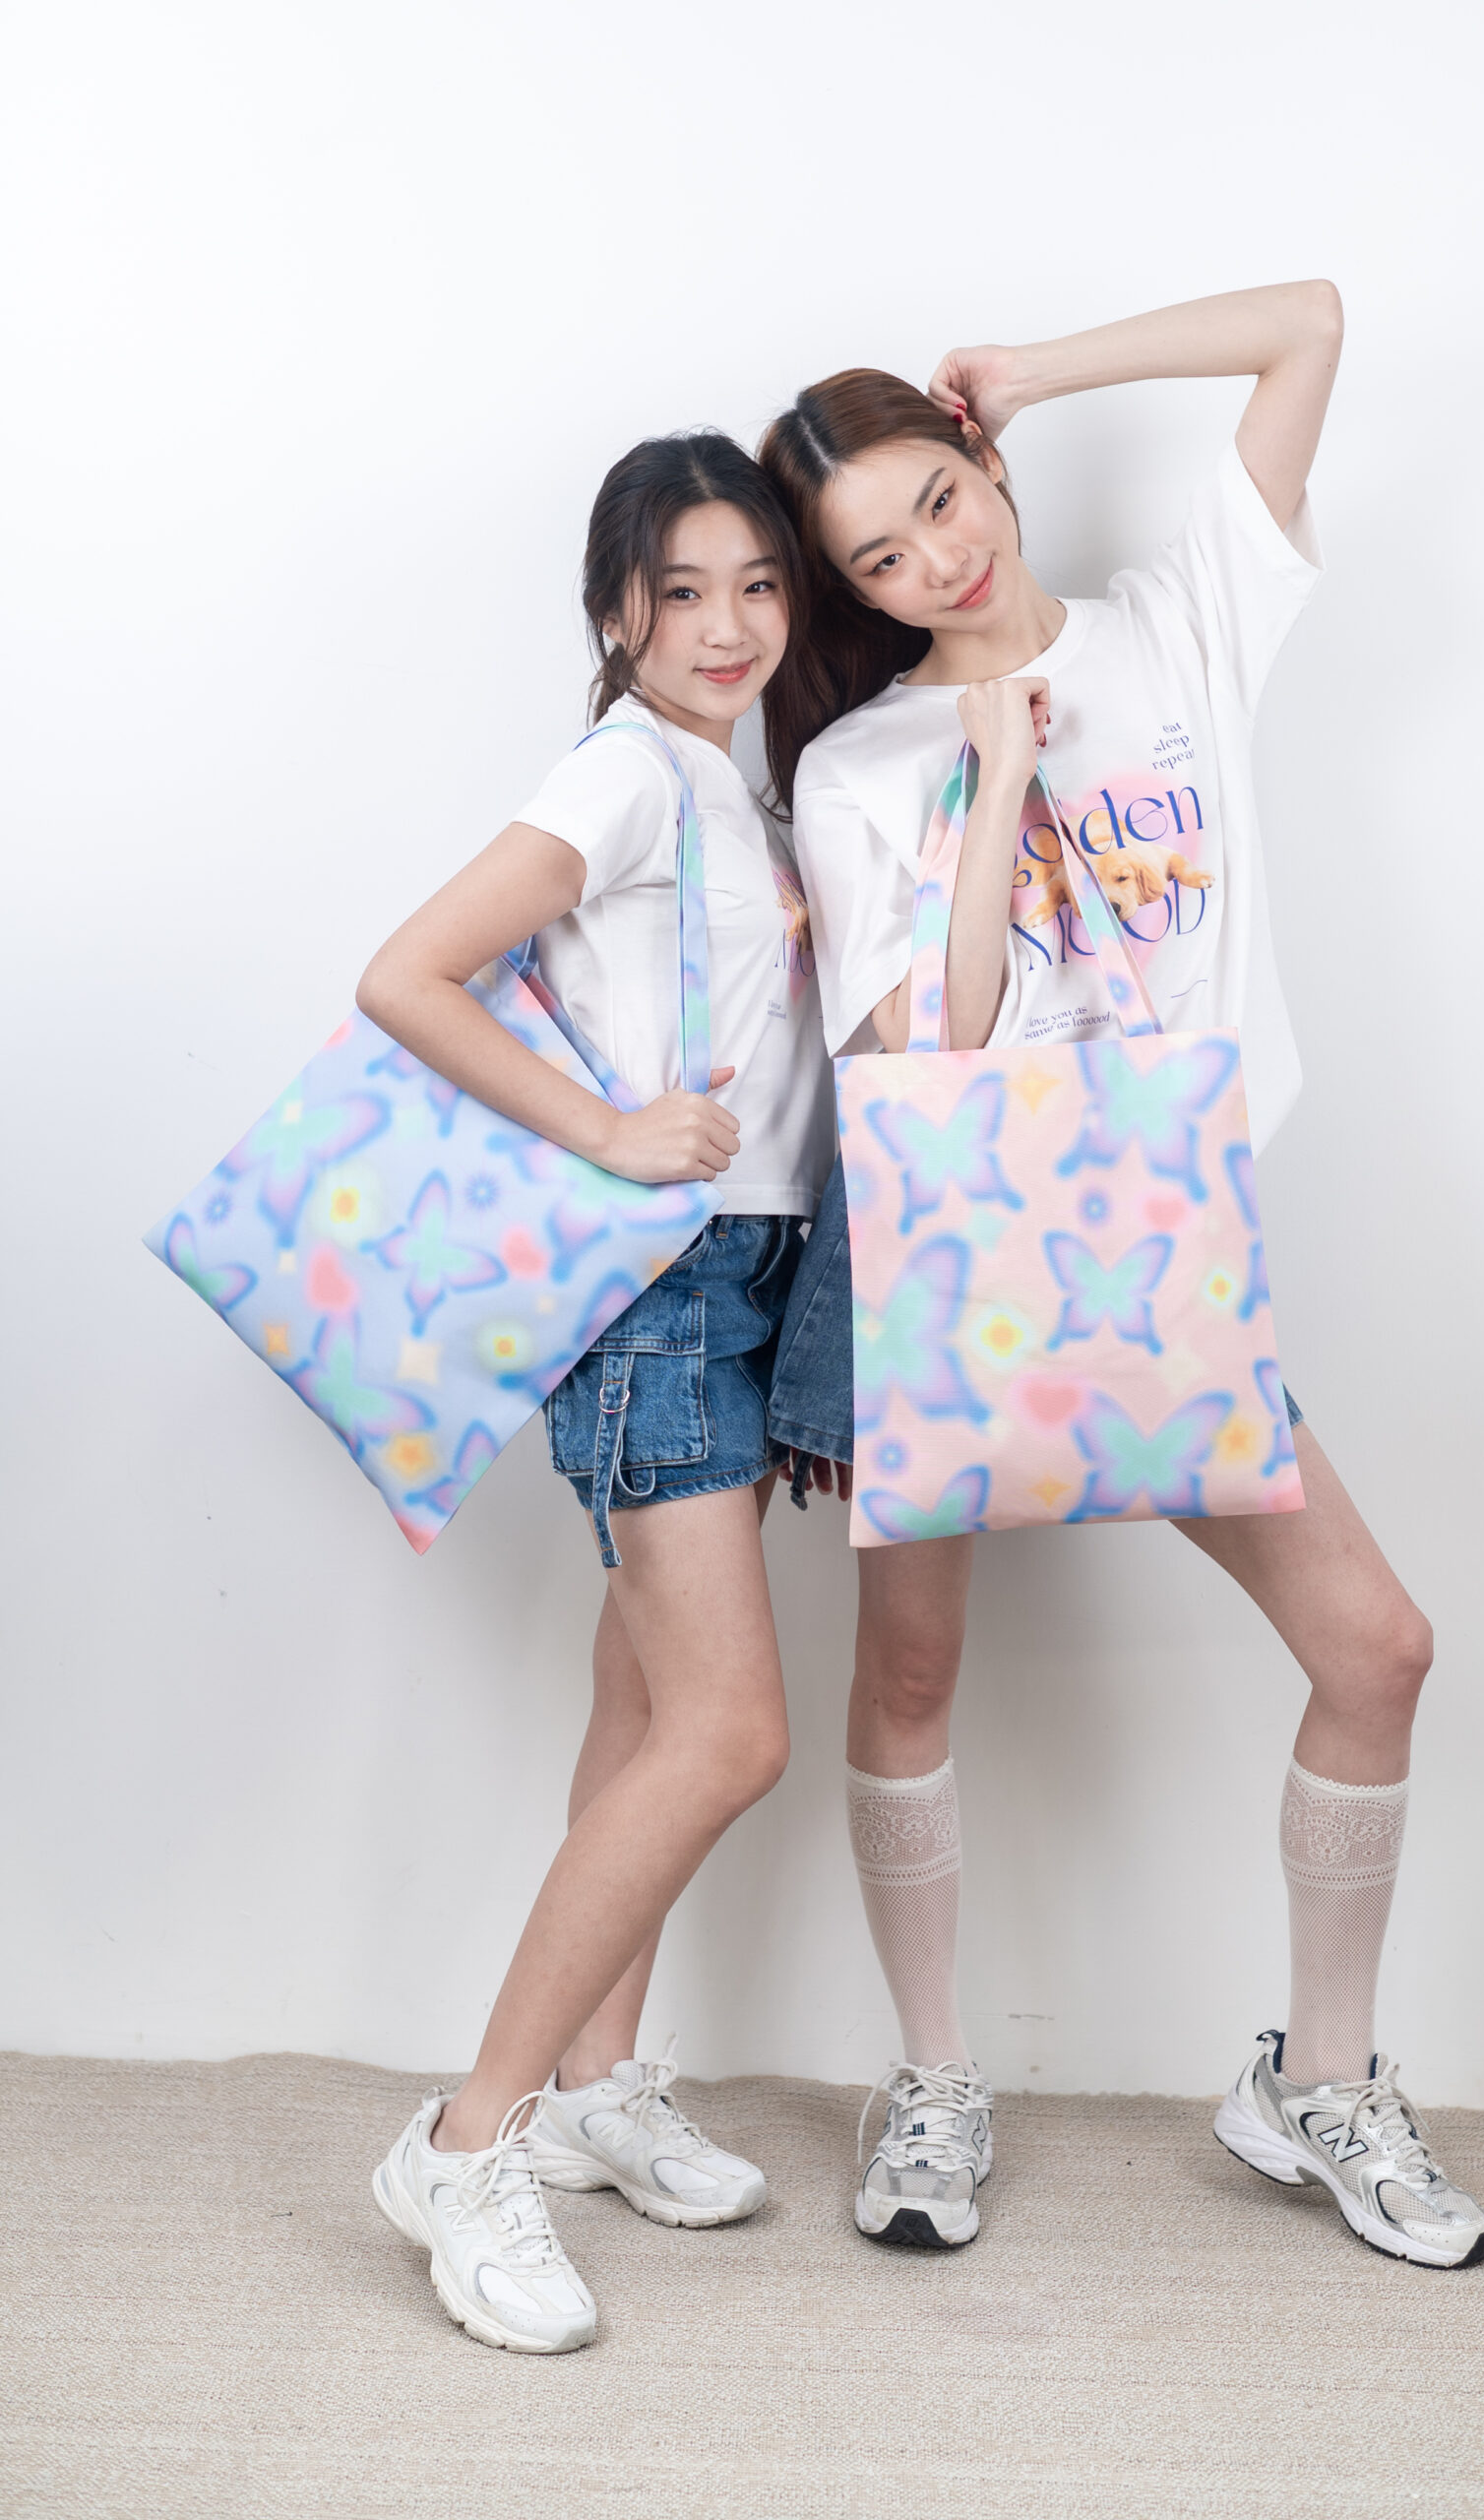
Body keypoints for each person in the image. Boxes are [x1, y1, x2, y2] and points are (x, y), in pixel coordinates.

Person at [758, 286, 1484, 2268]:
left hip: (1167, 1256)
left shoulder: (1173, 628)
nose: (932, 560)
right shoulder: (857, 768)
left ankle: (1314, 2083)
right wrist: (994, 779)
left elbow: (1310, 326)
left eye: (938, 497)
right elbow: (925, 1051)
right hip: (952, 1256)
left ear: (982, 464)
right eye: (876, 558)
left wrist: (1033, 369)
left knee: (1375, 1648)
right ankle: (934, 2077)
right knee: (912, 1671)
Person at [356, 431, 834, 2351]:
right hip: (658, 1292)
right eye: (680, 589)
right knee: (731, 1730)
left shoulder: (731, 781)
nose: (726, 623)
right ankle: (464, 2141)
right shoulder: (624, 774)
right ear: (613, 608)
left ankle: (587, 2095)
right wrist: (609, 1131)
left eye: (757, 584)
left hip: (743, 1276)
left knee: (644, 1702)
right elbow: (409, 972)